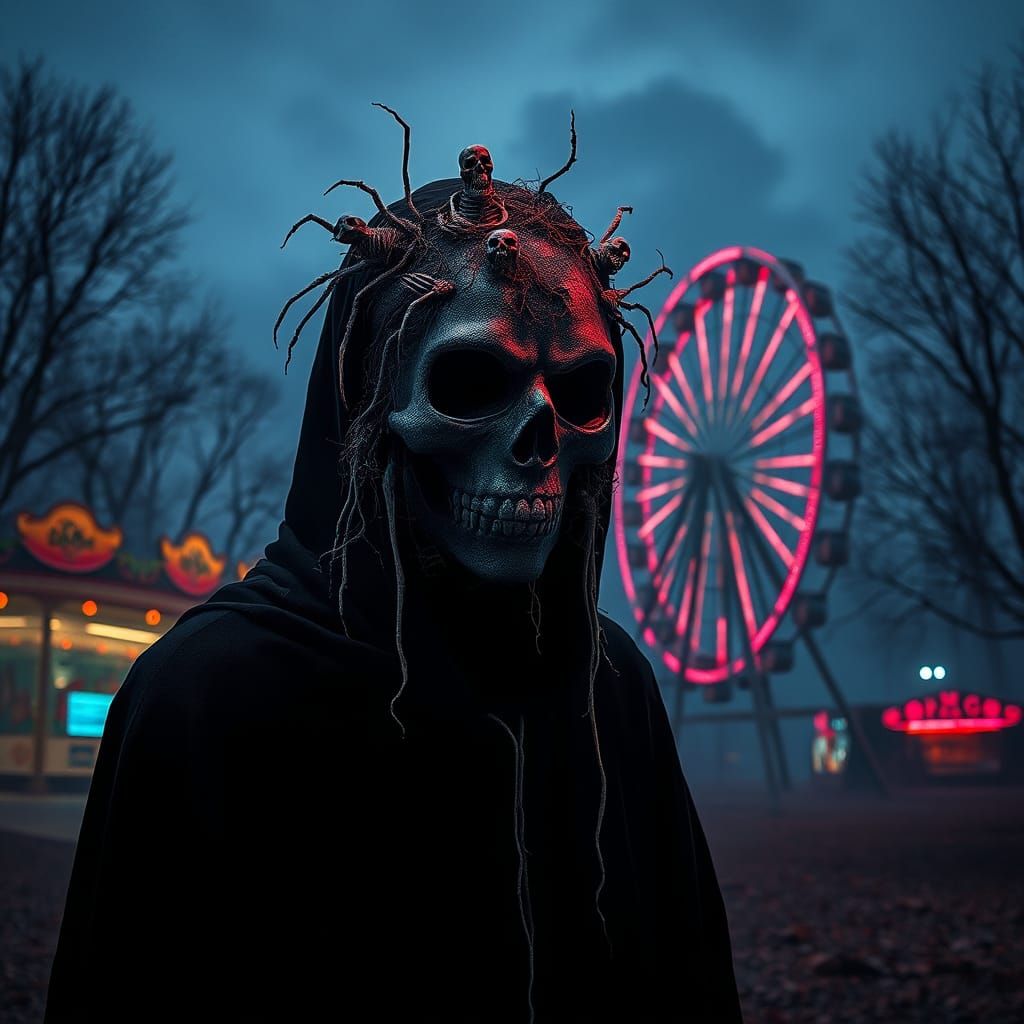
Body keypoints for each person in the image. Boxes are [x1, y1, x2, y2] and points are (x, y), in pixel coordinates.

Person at [45, 116, 743, 1023]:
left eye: (578, 392)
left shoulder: (607, 686)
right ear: (362, 400)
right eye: (468, 382)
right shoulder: (206, 696)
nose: (538, 445)